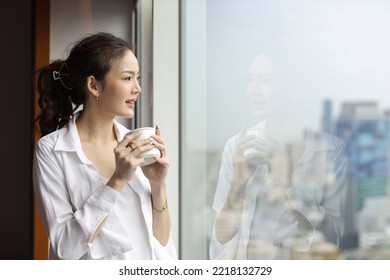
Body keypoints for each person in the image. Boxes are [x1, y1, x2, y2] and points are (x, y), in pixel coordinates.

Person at [33, 32, 177, 260]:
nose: (137, 88)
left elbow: (161, 241)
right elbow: (65, 248)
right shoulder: (51, 150)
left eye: (137, 78)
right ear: (93, 85)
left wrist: (157, 185)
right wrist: (117, 180)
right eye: (128, 78)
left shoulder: (135, 144)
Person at [209, 53, 348, 259]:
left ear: (295, 88)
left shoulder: (329, 151)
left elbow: (333, 239)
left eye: (265, 81)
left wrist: (287, 185)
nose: (253, 91)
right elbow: (220, 241)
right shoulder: (237, 146)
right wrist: (237, 186)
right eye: (250, 81)